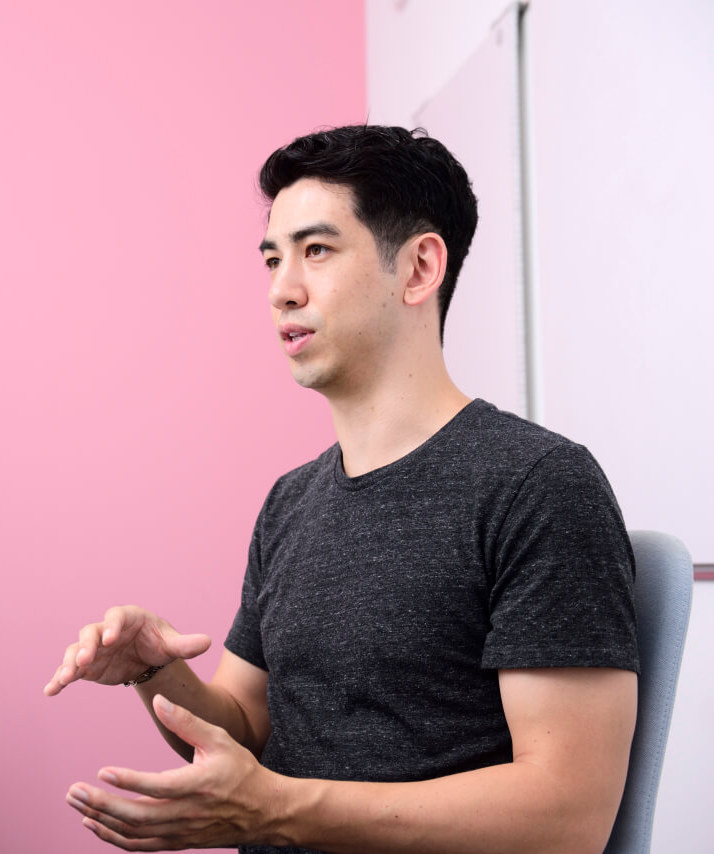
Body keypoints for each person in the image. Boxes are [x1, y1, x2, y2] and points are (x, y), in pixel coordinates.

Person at [44, 125, 638, 854]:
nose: (281, 290)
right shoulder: (291, 503)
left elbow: (567, 815)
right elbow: (248, 731)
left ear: (419, 268)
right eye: (272, 258)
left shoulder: (538, 487)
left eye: (316, 251)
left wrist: (279, 810)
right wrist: (156, 672)